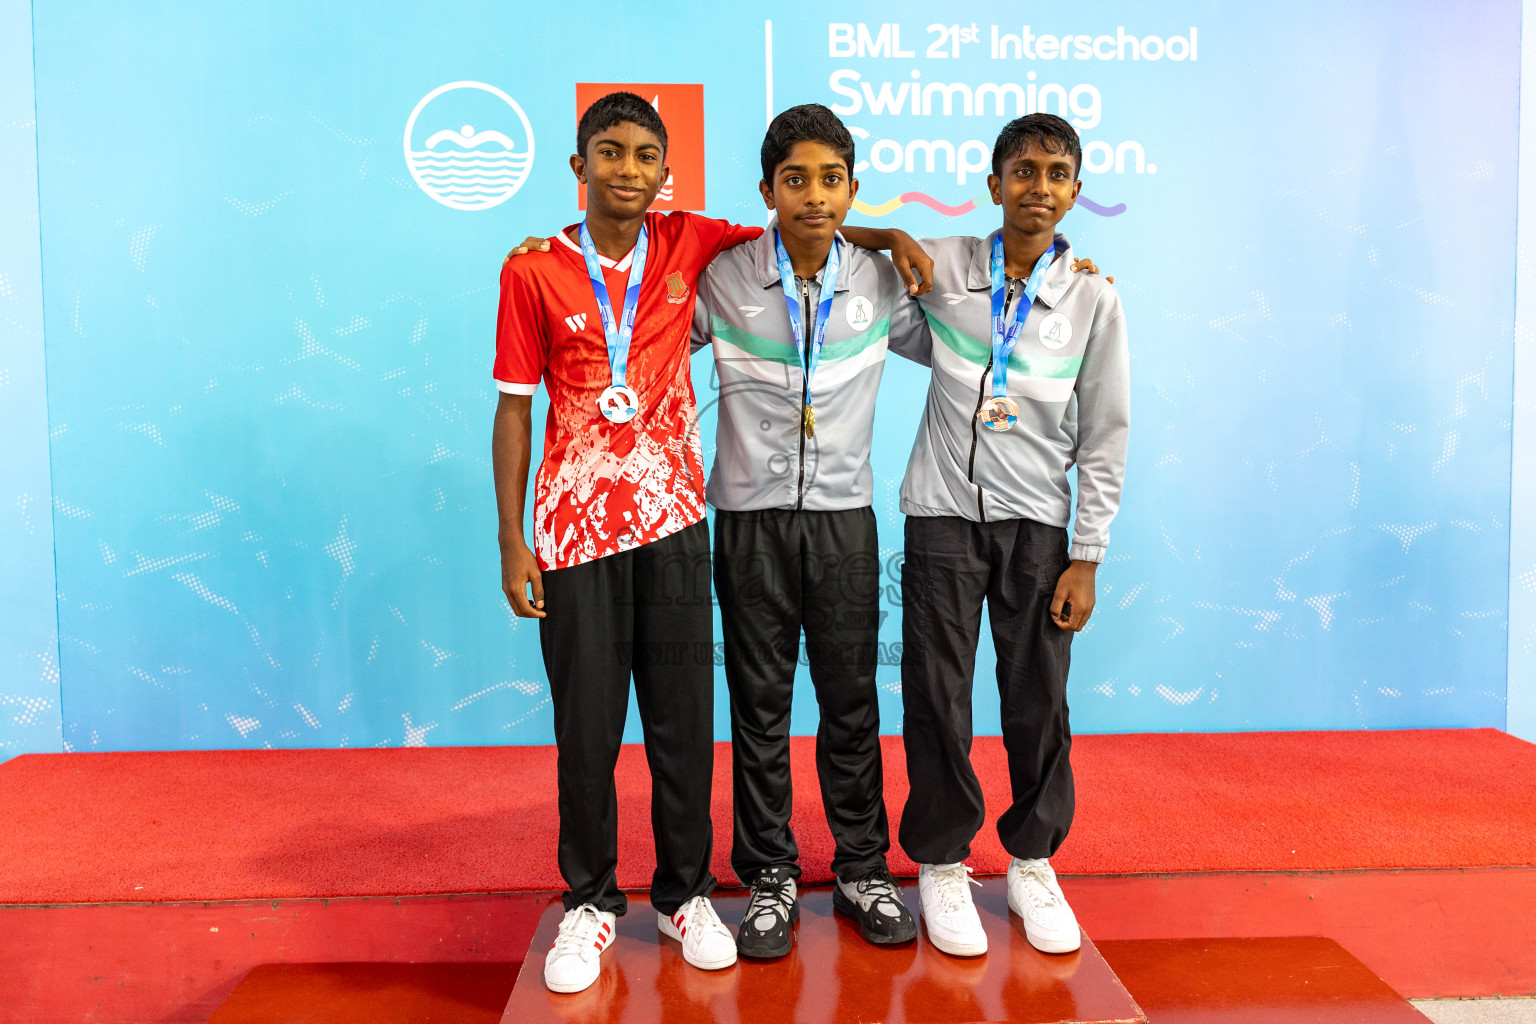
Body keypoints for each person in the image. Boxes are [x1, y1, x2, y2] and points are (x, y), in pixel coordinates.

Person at [491, 91, 930, 994]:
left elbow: (831, 233)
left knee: (762, 717)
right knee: (663, 721)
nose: (627, 170)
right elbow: (551, 384)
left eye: (644, 155)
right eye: (607, 154)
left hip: (741, 523)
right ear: (579, 168)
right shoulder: (595, 267)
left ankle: (770, 881)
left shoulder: (755, 255)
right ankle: (649, 894)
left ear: (665, 172)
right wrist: (512, 538)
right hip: (640, 527)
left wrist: (888, 239)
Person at [688, 104, 932, 959]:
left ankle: (863, 865)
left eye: (833, 180)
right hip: (748, 524)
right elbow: (638, 315)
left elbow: (969, 334)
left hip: (842, 527)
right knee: (758, 708)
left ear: (853, 188)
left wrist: (1075, 280)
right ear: (766, 190)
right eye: (796, 179)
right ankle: (769, 877)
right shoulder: (720, 281)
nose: (815, 195)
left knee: (850, 703)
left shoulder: (881, 279)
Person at [894, 113, 1129, 959]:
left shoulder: (1095, 297)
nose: (1039, 185)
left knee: (1038, 700)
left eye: (1056, 172)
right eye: (1021, 170)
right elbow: (843, 278)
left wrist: (1087, 555)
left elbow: (1105, 433)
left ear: (1076, 192)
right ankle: (944, 862)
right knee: (937, 693)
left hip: (1038, 526)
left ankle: (1032, 859)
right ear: (993, 184)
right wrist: (888, 236)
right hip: (943, 516)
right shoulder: (942, 265)